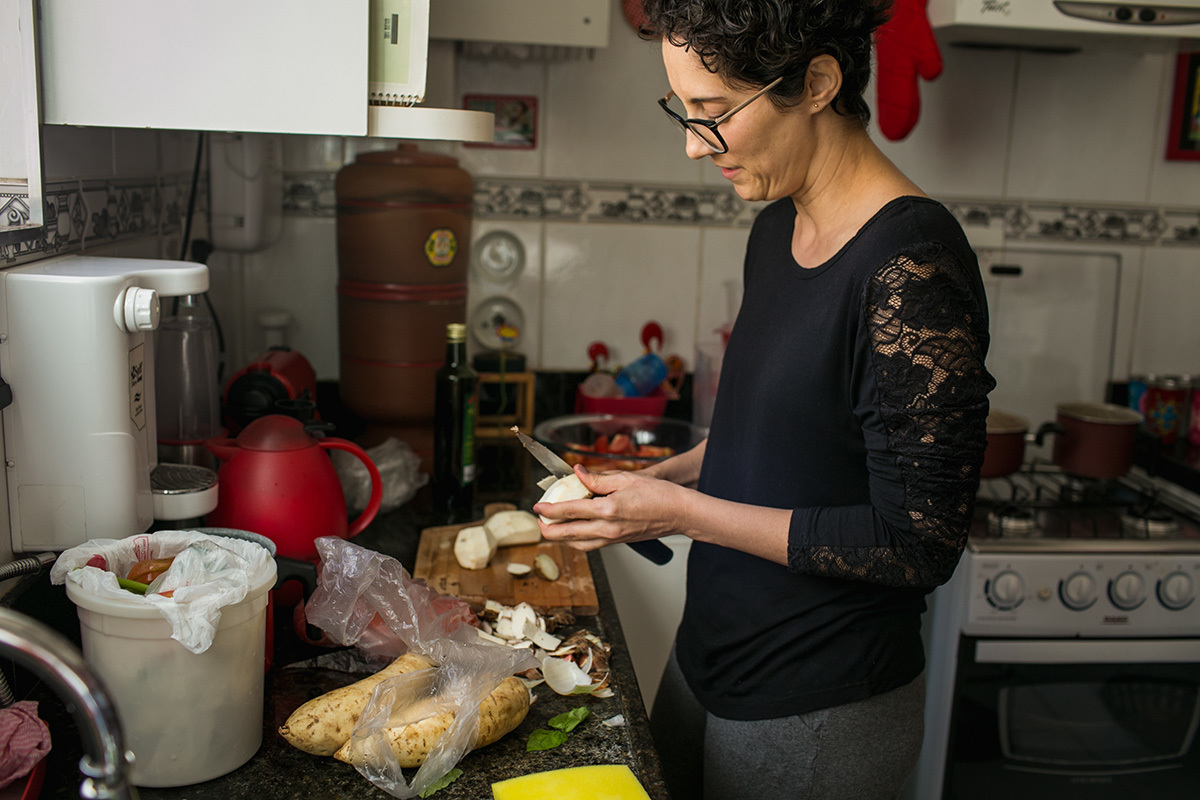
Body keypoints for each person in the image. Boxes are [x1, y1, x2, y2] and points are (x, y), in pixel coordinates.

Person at [533, 1, 995, 798]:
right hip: (711, 654)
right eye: (683, 110)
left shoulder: (912, 267)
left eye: (712, 113)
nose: (691, 141)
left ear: (817, 82)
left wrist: (675, 514)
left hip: (821, 703)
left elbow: (918, 542)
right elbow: (768, 440)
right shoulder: (775, 227)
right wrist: (651, 482)